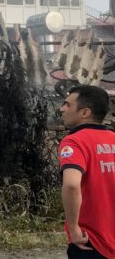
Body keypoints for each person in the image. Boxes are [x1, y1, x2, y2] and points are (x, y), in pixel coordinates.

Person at [58, 85, 115, 259]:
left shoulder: (74, 142)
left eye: (67, 105)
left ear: (85, 112)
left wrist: (74, 228)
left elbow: (71, 185)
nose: (62, 109)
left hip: (90, 242)